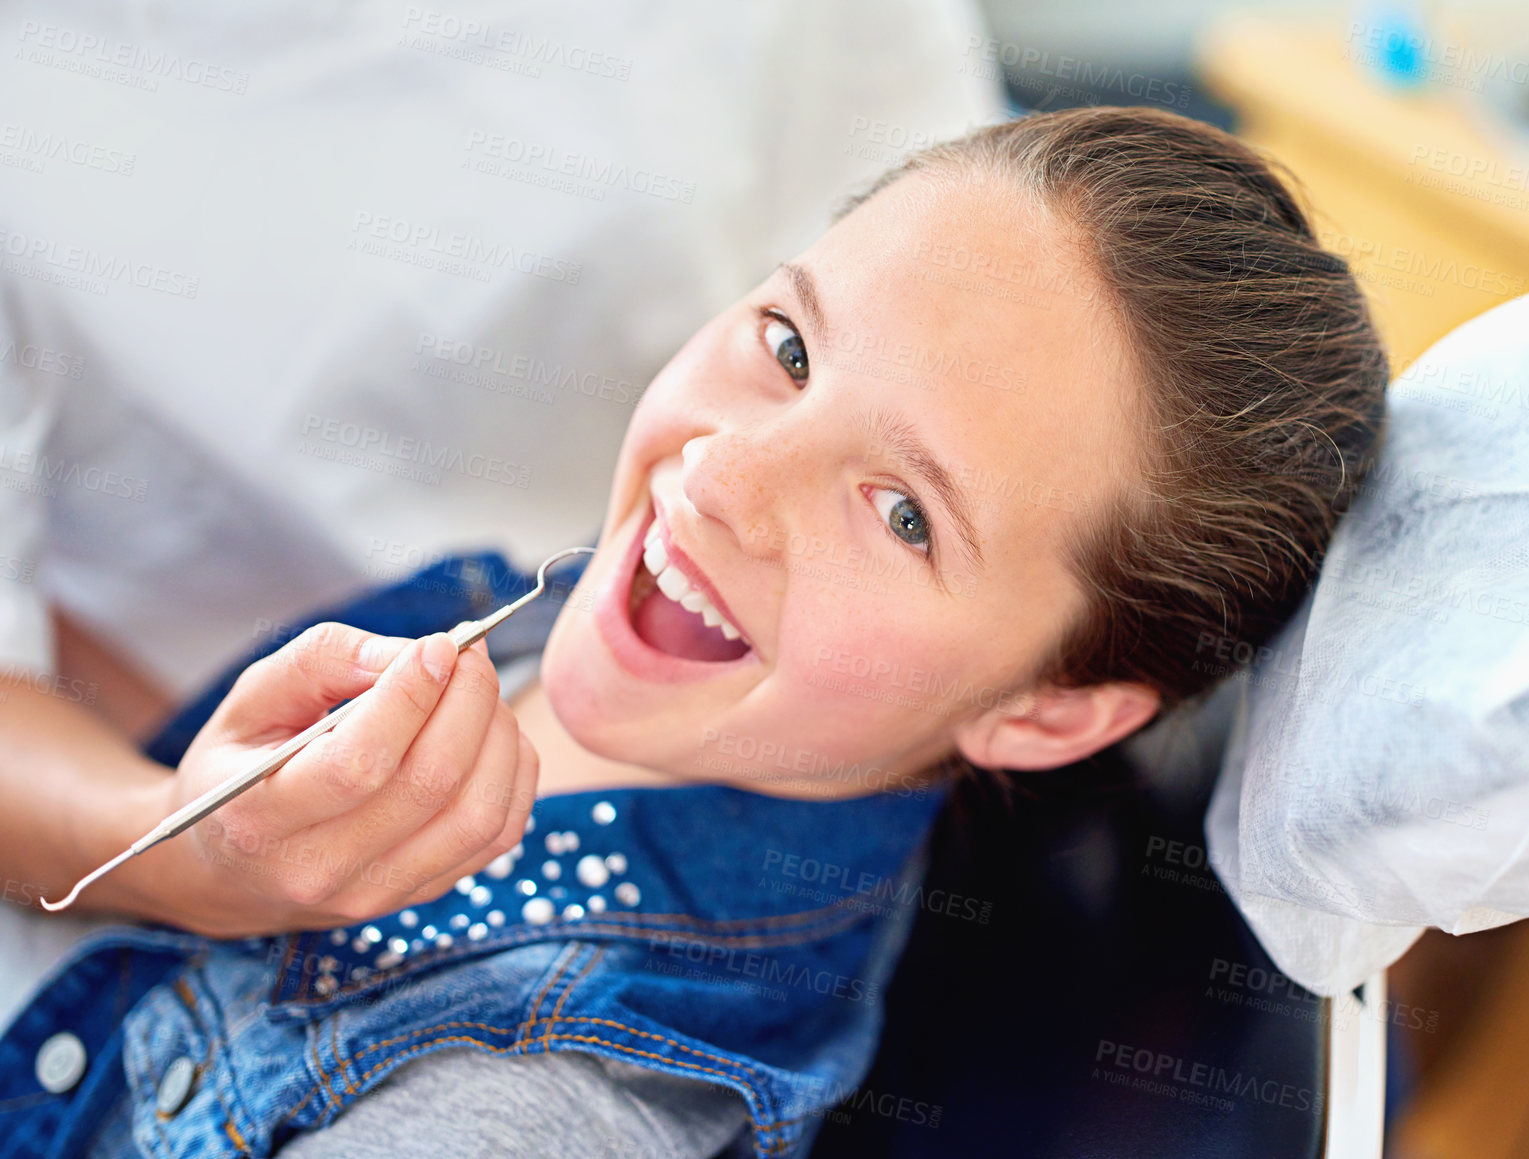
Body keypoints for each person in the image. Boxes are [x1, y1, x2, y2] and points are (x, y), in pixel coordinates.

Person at [0, 107, 1389, 1158]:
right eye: (789, 348)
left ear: (1046, 714)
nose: (722, 474)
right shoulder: (543, 618)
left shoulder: (541, 1102)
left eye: (902, 514)